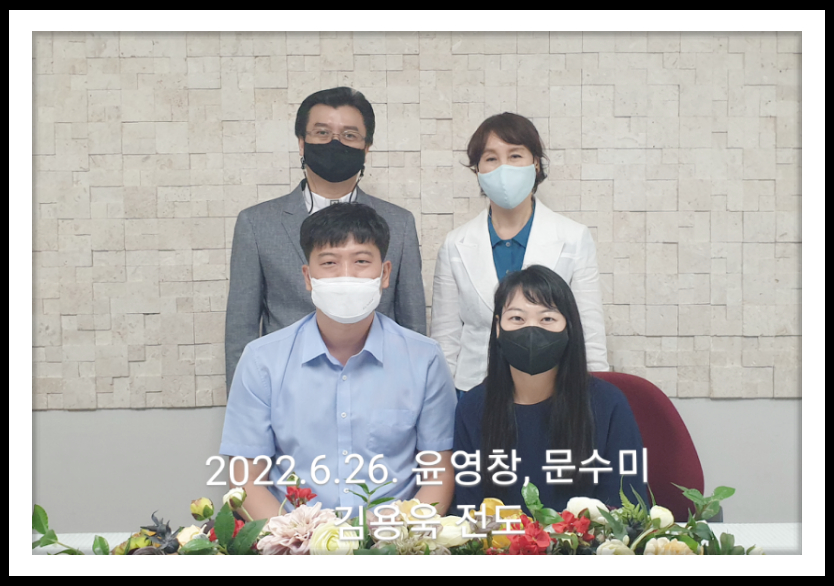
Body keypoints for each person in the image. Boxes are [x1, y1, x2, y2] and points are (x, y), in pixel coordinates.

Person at [219, 203, 456, 519]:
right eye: (329, 262)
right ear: (308, 277)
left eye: (361, 261)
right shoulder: (262, 361)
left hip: (393, 540)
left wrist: (395, 536)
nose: (346, 275)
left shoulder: (424, 360)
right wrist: (295, 539)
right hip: (290, 540)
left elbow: (438, 476)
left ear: (385, 274)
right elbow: (245, 482)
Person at [225, 87, 426, 395]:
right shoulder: (256, 223)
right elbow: (241, 328)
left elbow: (413, 325)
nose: (335, 143)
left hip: (378, 390)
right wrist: (243, 404)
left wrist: (413, 396)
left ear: (366, 147)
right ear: (301, 143)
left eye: (349, 135)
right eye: (322, 133)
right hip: (287, 392)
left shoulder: (399, 223)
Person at [431, 112, 609, 397]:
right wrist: (442, 405)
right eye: (491, 158)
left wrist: (596, 398)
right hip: (475, 391)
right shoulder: (455, 244)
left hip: (555, 393)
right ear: (477, 170)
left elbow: (589, 332)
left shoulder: (574, 238)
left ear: (535, 163)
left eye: (515, 156)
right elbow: (445, 340)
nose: (503, 168)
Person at [453, 265, 647, 513]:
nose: (531, 330)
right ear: (498, 327)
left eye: (547, 319)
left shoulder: (608, 404)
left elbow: (627, 510)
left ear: (569, 327)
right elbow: (468, 511)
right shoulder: (473, 407)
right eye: (517, 318)